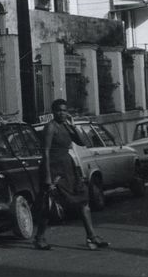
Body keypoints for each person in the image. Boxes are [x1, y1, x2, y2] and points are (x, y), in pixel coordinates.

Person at [33, 98, 109, 251]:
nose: (62, 113)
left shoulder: (67, 127)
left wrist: (74, 128)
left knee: (83, 201)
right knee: (49, 205)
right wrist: (48, 177)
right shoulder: (50, 127)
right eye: (59, 110)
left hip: (68, 167)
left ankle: (91, 236)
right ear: (53, 112)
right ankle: (39, 237)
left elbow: (82, 142)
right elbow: (46, 152)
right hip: (53, 169)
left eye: (64, 110)